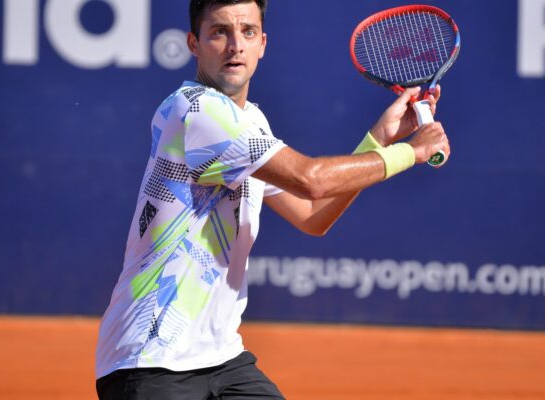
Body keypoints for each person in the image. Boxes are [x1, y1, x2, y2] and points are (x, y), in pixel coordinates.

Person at [94, 0, 450, 398]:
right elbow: (310, 180)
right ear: (194, 43)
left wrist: (379, 140)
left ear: (263, 43)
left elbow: (313, 215)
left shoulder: (252, 123)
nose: (235, 46)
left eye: (247, 32)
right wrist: (411, 152)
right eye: (219, 32)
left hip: (222, 359)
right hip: (151, 363)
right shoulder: (196, 111)